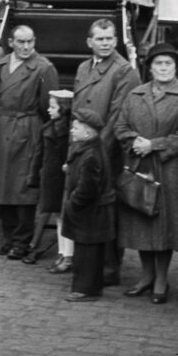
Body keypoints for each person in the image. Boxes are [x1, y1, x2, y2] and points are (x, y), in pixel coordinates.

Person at [115, 41, 178, 304]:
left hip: (169, 170)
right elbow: (120, 126)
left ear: (177, 67)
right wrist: (134, 142)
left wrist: (154, 145)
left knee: (164, 227)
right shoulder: (135, 94)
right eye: (158, 63)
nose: (163, 68)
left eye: (168, 63)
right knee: (141, 223)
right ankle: (146, 276)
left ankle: (161, 280)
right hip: (140, 167)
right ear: (149, 67)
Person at [70, 18, 140, 284]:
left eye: (109, 38)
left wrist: (98, 150)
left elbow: (118, 116)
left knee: (105, 210)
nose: (105, 43)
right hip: (83, 148)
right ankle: (87, 263)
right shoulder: (84, 67)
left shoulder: (124, 71)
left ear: (116, 40)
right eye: (100, 39)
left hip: (105, 152)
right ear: (89, 41)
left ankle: (109, 267)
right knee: (86, 203)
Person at [0, 24, 59, 259]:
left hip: (27, 130)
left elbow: (47, 107)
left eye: (30, 41)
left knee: (23, 187)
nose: (26, 47)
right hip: (1, 128)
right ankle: (8, 236)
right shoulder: (0, 64)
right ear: (11, 43)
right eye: (21, 42)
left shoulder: (43, 68)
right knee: (3, 185)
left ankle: (22, 240)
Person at [61, 108, 116, 302]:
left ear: (87, 132)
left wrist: (72, 204)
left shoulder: (90, 154)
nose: (72, 130)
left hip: (91, 212)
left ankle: (86, 290)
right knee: (88, 251)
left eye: (76, 128)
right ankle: (88, 287)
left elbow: (87, 189)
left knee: (88, 252)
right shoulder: (90, 149)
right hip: (93, 212)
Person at [25, 89, 73, 270]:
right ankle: (63, 253)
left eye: (53, 107)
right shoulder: (48, 128)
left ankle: (67, 256)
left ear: (63, 108)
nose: (48, 110)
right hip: (51, 178)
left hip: (61, 179)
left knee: (64, 217)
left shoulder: (67, 132)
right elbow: (39, 155)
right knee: (59, 217)